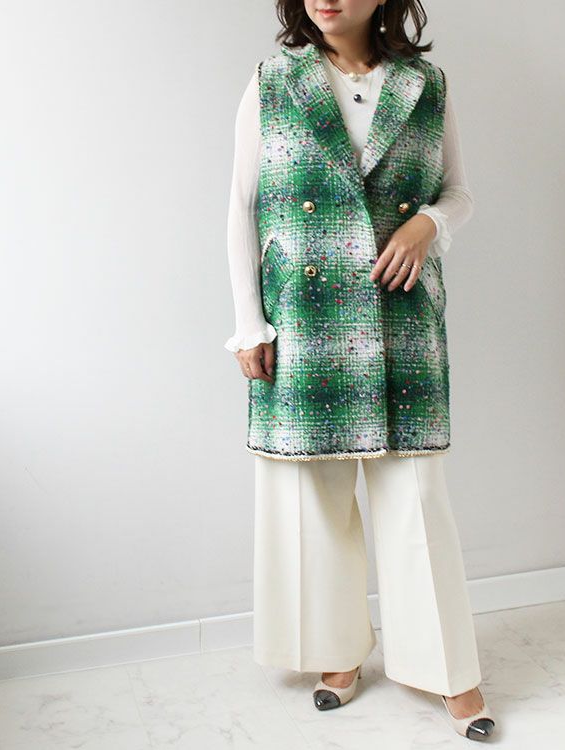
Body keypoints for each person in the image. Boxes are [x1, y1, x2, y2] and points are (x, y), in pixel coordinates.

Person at [224, 0, 496, 741]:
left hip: (400, 315)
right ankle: (337, 653)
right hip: (303, 319)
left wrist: (428, 223)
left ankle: (449, 672)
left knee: (417, 502)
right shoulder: (271, 81)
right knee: (311, 499)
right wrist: (249, 324)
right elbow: (243, 206)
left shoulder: (427, 85)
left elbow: (460, 192)